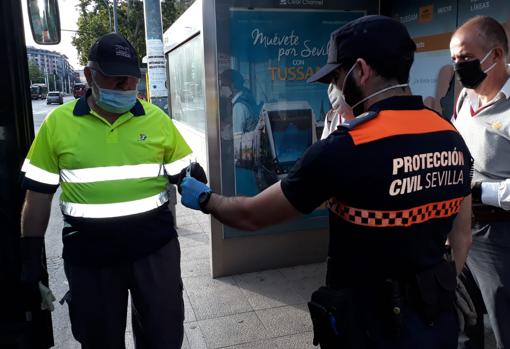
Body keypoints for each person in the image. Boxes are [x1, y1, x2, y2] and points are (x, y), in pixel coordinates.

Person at [180, 15, 473, 348]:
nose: (334, 89)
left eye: (336, 76)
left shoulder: (344, 149)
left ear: (360, 71)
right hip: (434, 320)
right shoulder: (450, 135)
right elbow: (462, 235)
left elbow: (251, 215)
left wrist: (205, 199)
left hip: (368, 326)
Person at [19, 33, 203, 348]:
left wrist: (195, 179)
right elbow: (37, 199)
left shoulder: (156, 119)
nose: (125, 87)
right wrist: (29, 260)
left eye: (131, 80)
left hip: (154, 253)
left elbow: (188, 174)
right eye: (115, 79)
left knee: (164, 337)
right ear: (89, 75)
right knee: (99, 341)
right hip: (91, 260)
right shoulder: (57, 125)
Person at [450, 15, 510, 349]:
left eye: (465, 58)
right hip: (462, 226)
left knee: (504, 324)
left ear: (496, 55)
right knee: (462, 319)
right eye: (453, 60)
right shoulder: (465, 97)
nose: (459, 66)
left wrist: (478, 192)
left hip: (500, 236)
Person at [220, 69, 260, 133]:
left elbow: (237, 136)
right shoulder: (246, 98)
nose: (221, 88)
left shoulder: (239, 106)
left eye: (223, 85)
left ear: (232, 85)